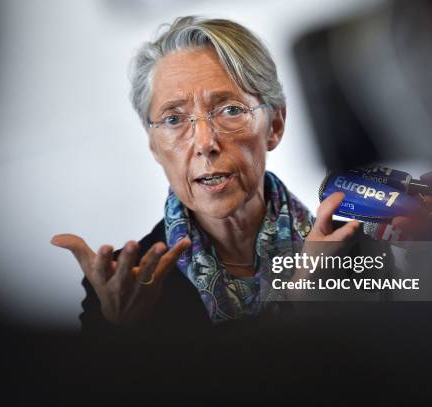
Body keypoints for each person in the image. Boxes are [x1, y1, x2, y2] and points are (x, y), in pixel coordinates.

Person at [51, 16, 362, 332]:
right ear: (155, 146)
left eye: (230, 110)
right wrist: (123, 333)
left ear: (275, 125)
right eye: (174, 120)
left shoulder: (353, 255)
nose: (204, 143)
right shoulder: (121, 287)